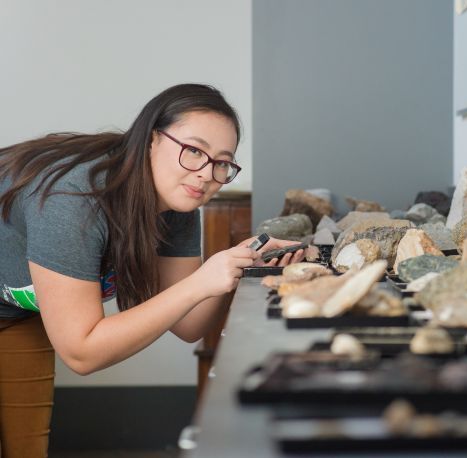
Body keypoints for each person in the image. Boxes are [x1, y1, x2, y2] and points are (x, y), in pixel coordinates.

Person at [0, 83, 304, 457]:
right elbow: (83, 353)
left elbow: (189, 325)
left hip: (18, 314)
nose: (206, 174)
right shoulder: (74, 199)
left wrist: (238, 266)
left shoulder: (178, 204)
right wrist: (201, 282)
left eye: (222, 162)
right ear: (150, 141)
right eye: (193, 151)